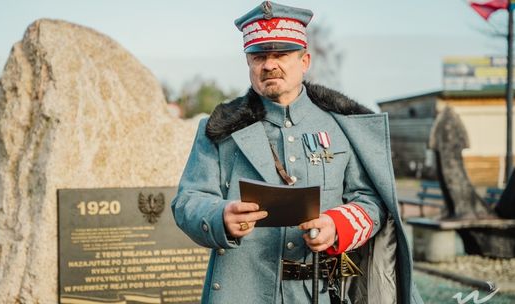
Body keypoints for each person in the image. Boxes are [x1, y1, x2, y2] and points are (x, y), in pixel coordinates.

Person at [172, 1, 423, 303]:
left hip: (325, 291)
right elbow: (187, 201)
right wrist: (220, 216)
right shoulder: (219, 128)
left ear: (305, 61)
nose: (269, 64)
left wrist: (337, 225)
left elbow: (371, 201)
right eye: (259, 56)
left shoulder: (344, 125)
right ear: (248, 62)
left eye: (281, 54)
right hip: (245, 290)